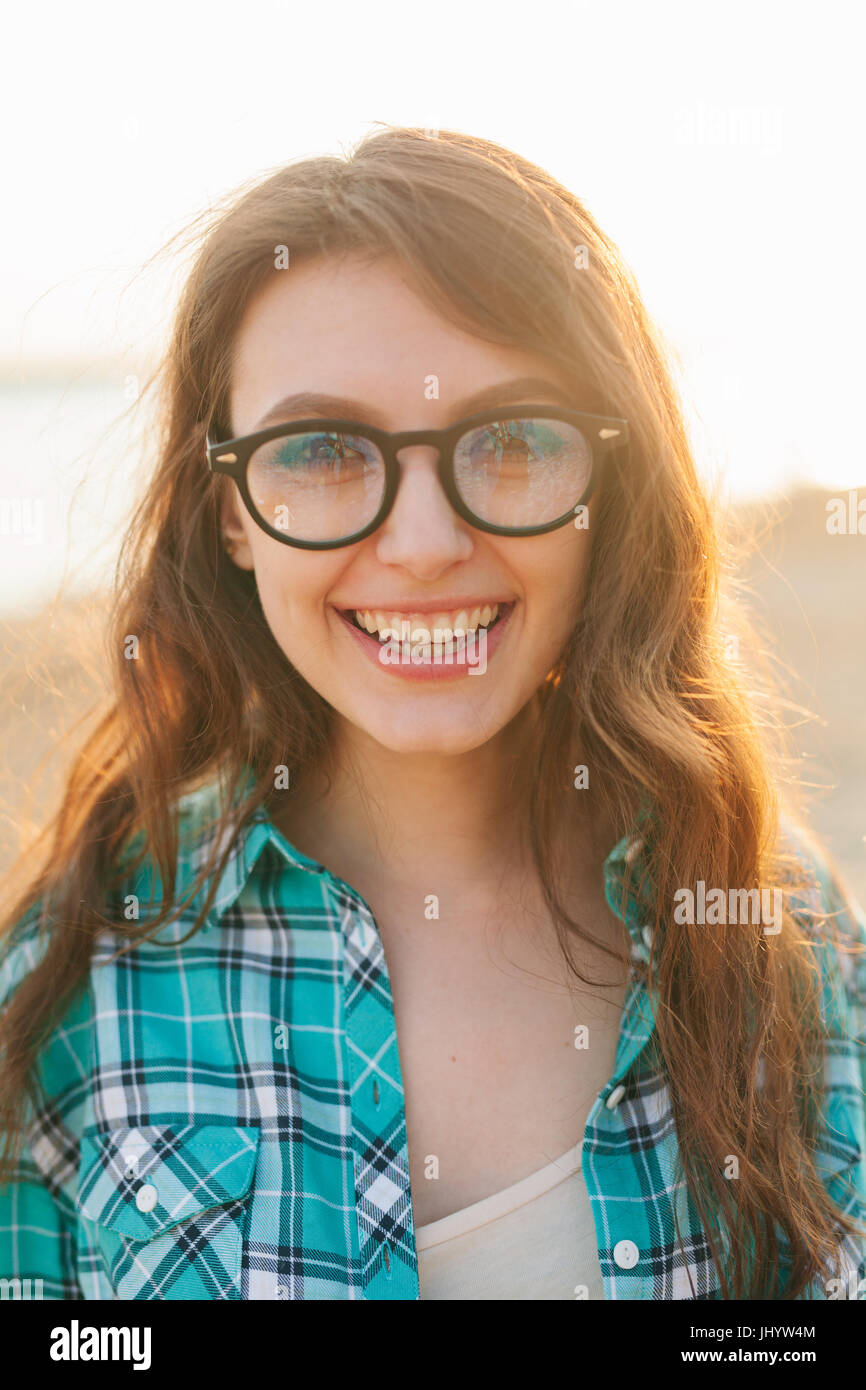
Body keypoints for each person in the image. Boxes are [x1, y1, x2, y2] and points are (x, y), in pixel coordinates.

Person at [0, 125, 863, 1301]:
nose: (421, 546)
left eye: (507, 441)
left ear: (606, 484)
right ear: (233, 514)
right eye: (319, 449)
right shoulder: (80, 978)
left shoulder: (773, 923)